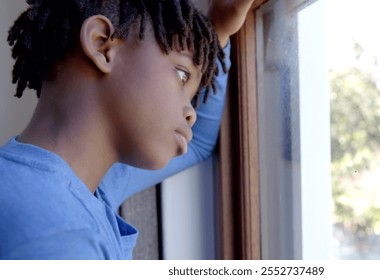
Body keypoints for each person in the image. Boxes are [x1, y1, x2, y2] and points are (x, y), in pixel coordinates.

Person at [0, 0, 254, 259]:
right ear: (102, 45)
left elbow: (197, 142)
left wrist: (219, 31)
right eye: (181, 75)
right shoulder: (60, 240)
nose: (191, 112)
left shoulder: (84, 184)